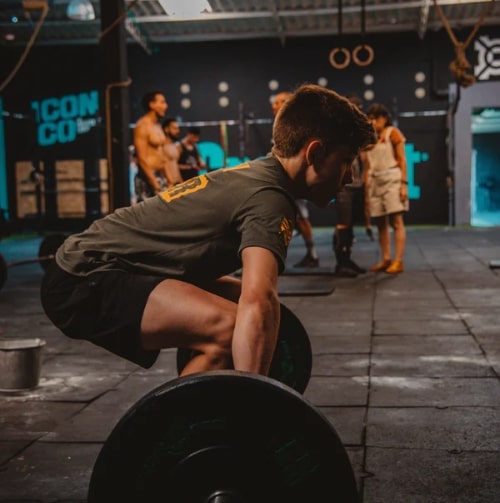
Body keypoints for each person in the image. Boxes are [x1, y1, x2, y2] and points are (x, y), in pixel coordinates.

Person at [40, 84, 375, 379]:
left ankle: (206, 418)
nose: (349, 176)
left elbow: (258, 301)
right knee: (232, 328)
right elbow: (260, 300)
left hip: (115, 265)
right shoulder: (269, 199)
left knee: (242, 304)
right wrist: (264, 405)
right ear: (314, 152)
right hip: (84, 278)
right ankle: (169, 443)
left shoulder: (263, 175)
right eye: (346, 160)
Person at [272, 91, 319, 268]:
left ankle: (312, 255)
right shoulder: (279, 125)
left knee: (301, 219)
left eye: (279, 102)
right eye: (275, 103)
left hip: (294, 178)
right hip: (282, 177)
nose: (274, 105)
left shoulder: (296, 125)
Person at [361, 103, 409, 274]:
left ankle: (398, 260)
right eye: (370, 119)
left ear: (384, 118)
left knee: (396, 221)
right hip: (375, 181)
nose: (373, 122)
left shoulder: (393, 133)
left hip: (392, 179)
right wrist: (366, 189)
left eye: (376, 118)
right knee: (381, 223)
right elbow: (366, 166)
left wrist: (404, 184)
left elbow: (403, 160)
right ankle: (386, 258)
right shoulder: (368, 138)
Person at [332, 94, 370, 277]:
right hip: (344, 185)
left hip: (357, 183)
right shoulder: (339, 130)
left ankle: (347, 259)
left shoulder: (357, 132)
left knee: (350, 224)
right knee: (342, 224)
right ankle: (341, 263)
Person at [133, 91, 182, 202]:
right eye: (162, 102)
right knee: (148, 216)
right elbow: (142, 159)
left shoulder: (157, 126)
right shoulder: (142, 126)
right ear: (152, 105)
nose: (166, 106)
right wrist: (155, 184)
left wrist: (169, 181)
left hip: (160, 177)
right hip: (147, 179)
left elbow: (162, 156)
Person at [162, 116, 183, 184]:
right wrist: (170, 182)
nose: (178, 131)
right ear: (166, 129)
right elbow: (162, 166)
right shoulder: (161, 146)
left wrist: (181, 183)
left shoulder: (174, 146)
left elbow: (175, 165)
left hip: (176, 184)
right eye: (174, 128)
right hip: (167, 185)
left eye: (178, 128)